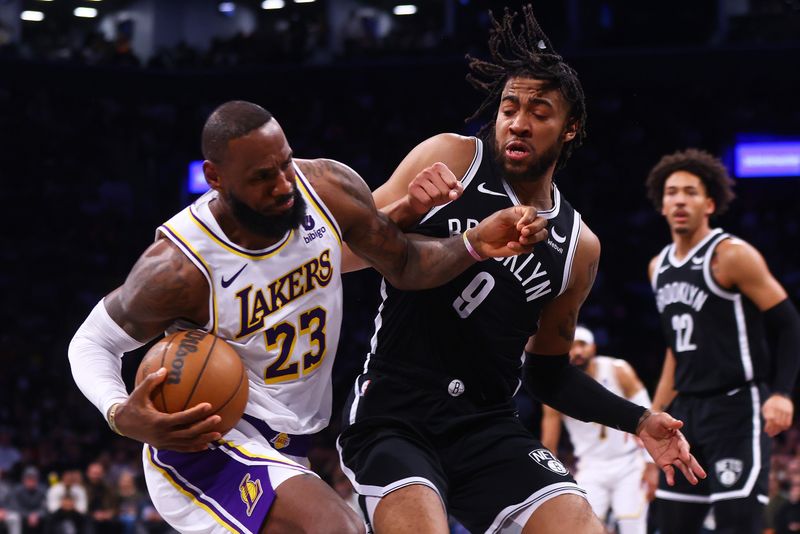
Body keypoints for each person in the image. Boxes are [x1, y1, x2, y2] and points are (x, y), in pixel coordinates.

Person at [67, 99, 548, 534]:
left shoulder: (324, 188)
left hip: (290, 441)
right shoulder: (179, 266)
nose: (282, 185)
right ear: (215, 178)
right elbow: (92, 342)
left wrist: (474, 244)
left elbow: (403, 263)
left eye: (285, 163)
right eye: (261, 177)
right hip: (208, 441)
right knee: (336, 528)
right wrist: (119, 413)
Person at [336, 6, 705, 534]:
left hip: (485, 428)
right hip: (394, 416)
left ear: (570, 128)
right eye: (510, 106)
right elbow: (344, 254)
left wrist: (639, 420)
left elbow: (547, 374)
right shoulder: (451, 158)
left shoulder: (579, 246)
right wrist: (407, 212)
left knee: (581, 526)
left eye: (539, 110)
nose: (519, 121)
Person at [646, 148, 800, 534]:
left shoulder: (731, 255)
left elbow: (788, 323)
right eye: (672, 192)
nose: (680, 199)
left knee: (737, 525)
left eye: (691, 192)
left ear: (709, 203)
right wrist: (654, 412)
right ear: (662, 204)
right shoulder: (657, 267)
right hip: (686, 414)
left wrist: (782, 393)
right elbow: (674, 349)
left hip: (736, 408)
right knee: (671, 524)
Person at [540, 326, 658, 534]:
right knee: (583, 527)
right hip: (590, 466)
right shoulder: (553, 389)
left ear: (593, 348)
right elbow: (549, 444)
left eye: (582, 345)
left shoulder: (618, 370)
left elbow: (649, 417)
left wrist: (651, 466)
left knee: (633, 527)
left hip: (629, 463)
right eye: (572, 346)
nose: (577, 351)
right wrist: (548, 484)